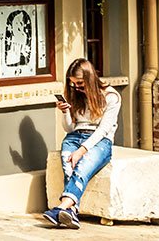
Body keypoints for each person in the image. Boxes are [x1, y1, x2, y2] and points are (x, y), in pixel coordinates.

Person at [43, 57, 121, 228]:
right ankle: (71, 212)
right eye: (73, 84)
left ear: (90, 78)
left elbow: (103, 130)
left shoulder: (111, 96)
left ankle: (61, 208)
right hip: (74, 136)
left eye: (80, 83)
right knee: (68, 166)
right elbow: (70, 129)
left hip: (100, 141)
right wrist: (65, 112)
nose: (77, 87)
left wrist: (82, 151)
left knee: (82, 167)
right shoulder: (76, 95)